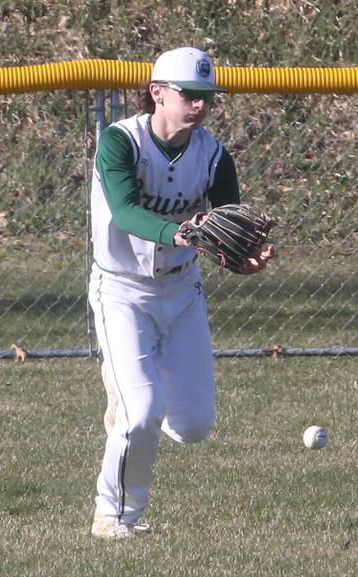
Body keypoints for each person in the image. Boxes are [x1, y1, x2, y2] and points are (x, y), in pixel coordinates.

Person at [88, 46, 274, 539]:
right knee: (142, 413)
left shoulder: (212, 154)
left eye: (205, 96)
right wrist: (181, 233)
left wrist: (244, 257)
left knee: (192, 426)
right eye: (188, 94)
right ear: (157, 93)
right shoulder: (119, 142)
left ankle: (133, 405)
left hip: (183, 292)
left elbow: (228, 224)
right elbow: (126, 213)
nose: (199, 105)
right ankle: (114, 516)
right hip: (122, 292)